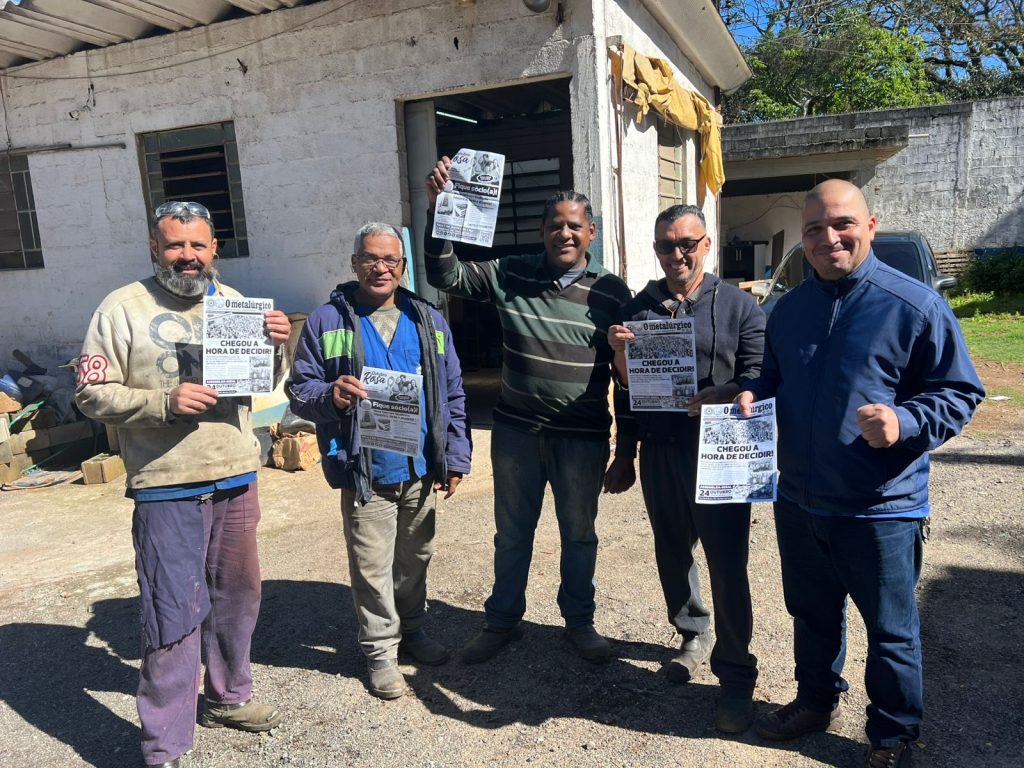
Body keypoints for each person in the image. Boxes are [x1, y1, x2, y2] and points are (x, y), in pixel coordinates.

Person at [737, 180, 984, 767]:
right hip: (800, 500)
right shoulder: (789, 310)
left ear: (869, 226)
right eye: (814, 229)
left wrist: (905, 420)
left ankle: (892, 735)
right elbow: (773, 378)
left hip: (880, 508)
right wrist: (752, 393)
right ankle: (815, 702)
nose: (829, 238)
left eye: (842, 223)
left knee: (891, 632)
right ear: (803, 240)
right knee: (811, 615)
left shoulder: (914, 306)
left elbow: (960, 392)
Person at [76, 201, 289, 768]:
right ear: (155, 248)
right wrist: (162, 403)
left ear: (214, 248)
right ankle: (165, 745)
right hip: (167, 482)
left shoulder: (235, 303)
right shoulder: (122, 308)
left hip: (235, 473)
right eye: (175, 245)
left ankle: (228, 697)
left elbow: (263, 383)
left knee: (237, 599)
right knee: (172, 612)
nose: (187, 256)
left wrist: (276, 345)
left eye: (198, 245)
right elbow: (91, 393)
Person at [424, 157, 632, 664]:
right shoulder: (510, 272)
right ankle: (501, 621)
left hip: (582, 438)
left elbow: (627, 378)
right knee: (512, 534)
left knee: (579, 535)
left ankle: (579, 622)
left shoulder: (612, 292)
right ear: (543, 232)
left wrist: (626, 449)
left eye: (574, 226)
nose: (565, 233)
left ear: (591, 233)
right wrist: (440, 212)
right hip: (517, 434)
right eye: (555, 225)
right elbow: (445, 273)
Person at [287, 222, 471, 699]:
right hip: (365, 470)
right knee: (371, 566)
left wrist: (455, 455)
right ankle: (381, 653)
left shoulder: (427, 319)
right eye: (370, 258)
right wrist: (331, 395)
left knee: (416, 558)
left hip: (419, 470)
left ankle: (413, 630)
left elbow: (452, 391)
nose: (380, 268)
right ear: (354, 263)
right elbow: (300, 390)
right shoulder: (328, 321)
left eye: (390, 259)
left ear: (403, 266)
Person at [603, 204, 765, 733]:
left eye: (687, 244)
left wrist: (729, 391)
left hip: (721, 451)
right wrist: (625, 451)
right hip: (661, 451)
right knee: (672, 551)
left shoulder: (739, 306)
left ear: (706, 244)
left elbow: (761, 374)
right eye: (666, 246)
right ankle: (692, 632)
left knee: (727, 563)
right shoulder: (637, 309)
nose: (677, 254)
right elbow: (625, 391)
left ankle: (735, 675)